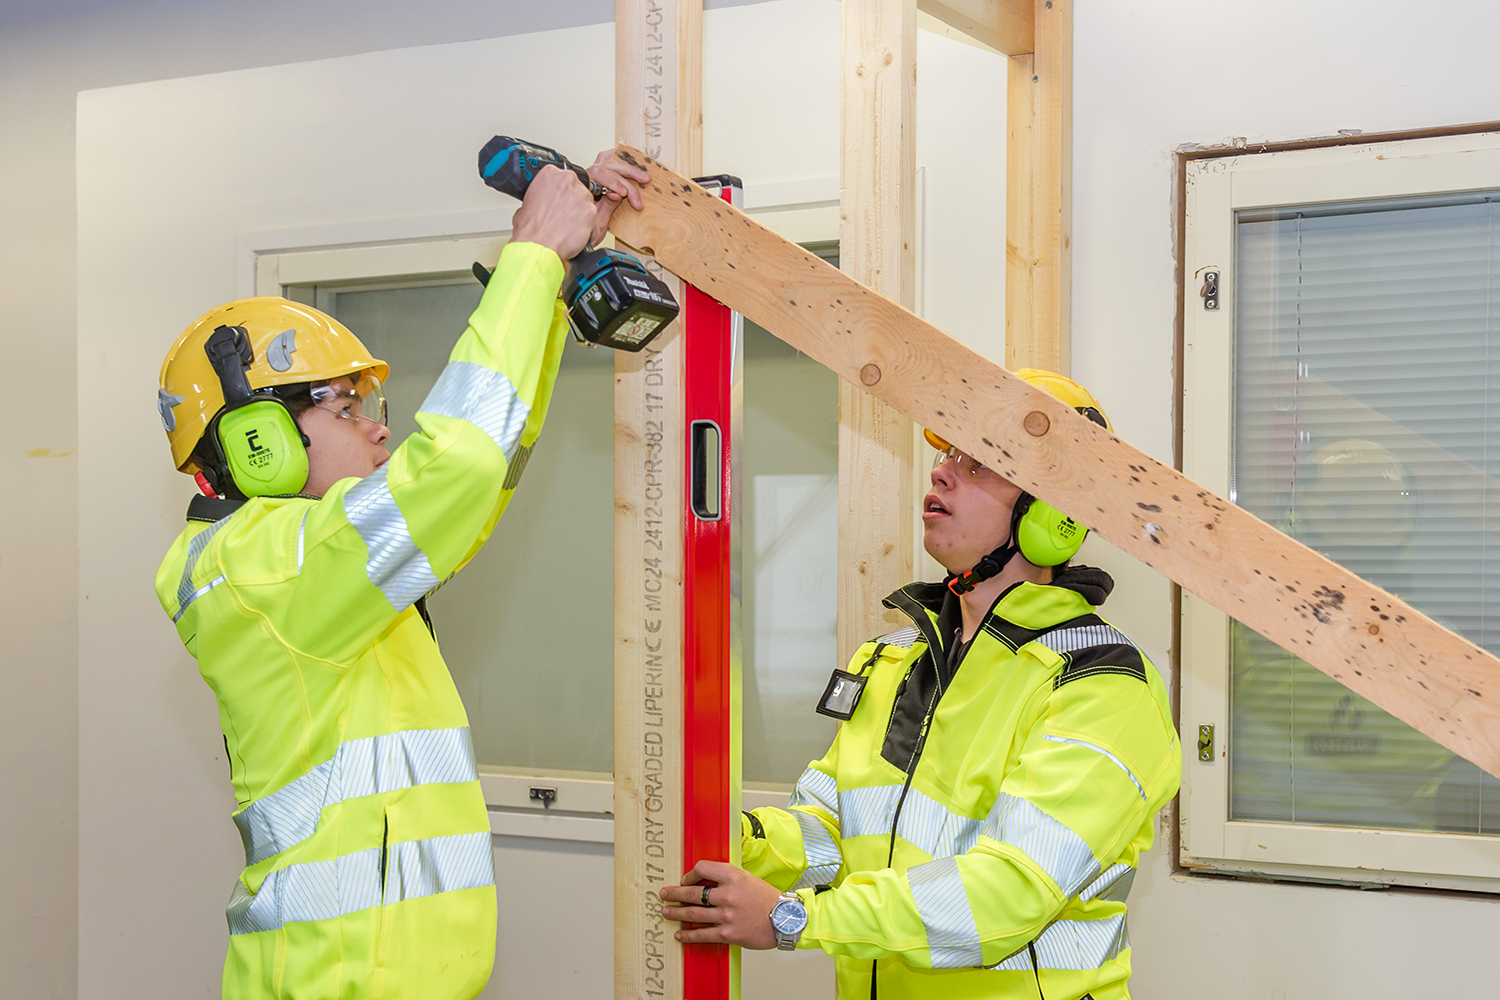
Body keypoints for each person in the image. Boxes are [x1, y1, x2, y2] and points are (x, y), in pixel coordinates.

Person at [153, 151, 649, 1000]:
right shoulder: (253, 568)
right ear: (257, 444)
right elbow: (450, 474)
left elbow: (477, 477)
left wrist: (550, 292)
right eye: (347, 409)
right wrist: (529, 256)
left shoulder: (326, 565)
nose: (378, 432)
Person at [660, 371, 1182, 1000]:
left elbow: (1008, 894)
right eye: (945, 455)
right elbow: (834, 832)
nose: (941, 473)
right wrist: (734, 836)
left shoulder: (1102, 685)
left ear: (1053, 511)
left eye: (981, 462)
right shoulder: (893, 658)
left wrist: (794, 918)